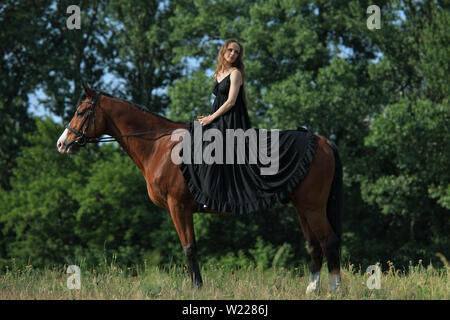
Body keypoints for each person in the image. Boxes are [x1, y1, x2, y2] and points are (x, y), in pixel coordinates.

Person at [178, 39, 318, 215]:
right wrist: (209, 117)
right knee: (194, 138)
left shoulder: (236, 74)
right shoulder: (218, 73)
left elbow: (230, 102)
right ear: (223, 51)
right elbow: (218, 101)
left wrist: (212, 118)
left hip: (233, 119)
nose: (233, 54)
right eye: (230, 50)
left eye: (237, 52)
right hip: (218, 117)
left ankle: (210, 197)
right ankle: (194, 192)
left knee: (212, 146)